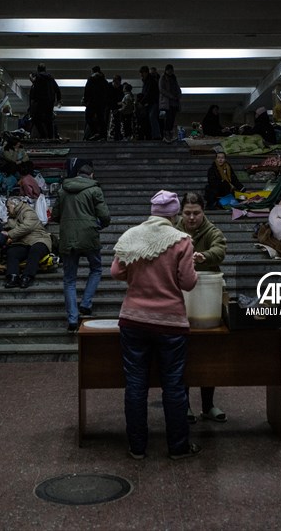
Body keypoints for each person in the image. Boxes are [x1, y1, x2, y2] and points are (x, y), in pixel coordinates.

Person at [111, 190, 199, 460]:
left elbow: (116, 272)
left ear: (151, 211)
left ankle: (137, 448)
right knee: (173, 385)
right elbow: (188, 283)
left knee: (135, 384)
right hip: (170, 322)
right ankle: (178, 447)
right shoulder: (182, 241)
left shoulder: (131, 236)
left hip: (133, 320)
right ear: (174, 214)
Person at [174, 192, 228, 424]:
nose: (192, 218)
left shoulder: (212, 231)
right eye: (188, 213)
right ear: (181, 213)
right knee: (183, 354)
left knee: (208, 354)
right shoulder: (174, 230)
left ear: (203, 212)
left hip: (207, 296)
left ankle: (208, 406)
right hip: (181, 296)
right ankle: (184, 405)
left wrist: (203, 256)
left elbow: (220, 250)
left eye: (196, 213)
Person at [53, 164, 111, 332]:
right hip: (89, 236)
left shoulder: (63, 190)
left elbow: (55, 215)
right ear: (91, 175)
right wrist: (99, 225)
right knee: (96, 268)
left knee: (69, 279)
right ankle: (85, 304)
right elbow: (104, 215)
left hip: (68, 238)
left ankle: (72, 319)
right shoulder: (94, 190)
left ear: (77, 175)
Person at [1, 197, 52, 289]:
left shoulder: (28, 211)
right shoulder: (12, 217)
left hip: (40, 239)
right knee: (13, 252)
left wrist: (9, 234)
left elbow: (27, 226)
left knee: (35, 250)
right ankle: (13, 276)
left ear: (14, 205)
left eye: (8, 207)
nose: (7, 209)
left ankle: (27, 277)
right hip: (24, 242)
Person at [28, 63, 61, 139]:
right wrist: (59, 99)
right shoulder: (50, 78)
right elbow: (57, 89)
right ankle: (50, 137)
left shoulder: (38, 77)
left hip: (40, 101)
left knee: (36, 119)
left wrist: (31, 77)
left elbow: (34, 86)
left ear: (38, 69)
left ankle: (43, 135)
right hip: (50, 102)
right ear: (45, 69)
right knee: (48, 120)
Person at [82, 66, 110, 141]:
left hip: (92, 102)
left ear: (92, 71)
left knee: (88, 117)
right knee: (101, 119)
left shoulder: (91, 79)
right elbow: (107, 91)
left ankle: (95, 132)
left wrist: (85, 100)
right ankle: (103, 135)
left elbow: (87, 90)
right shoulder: (104, 80)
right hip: (101, 103)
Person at [159, 64, 182, 142]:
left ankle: (170, 135)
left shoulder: (173, 78)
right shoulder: (163, 78)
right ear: (166, 70)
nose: (171, 71)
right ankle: (166, 135)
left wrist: (178, 95)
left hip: (174, 102)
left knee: (172, 118)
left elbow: (177, 88)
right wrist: (171, 96)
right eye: (169, 70)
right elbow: (162, 89)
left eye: (171, 70)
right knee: (168, 118)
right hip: (168, 102)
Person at [139, 65, 161, 140]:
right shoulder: (149, 81)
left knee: (152, 117)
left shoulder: (149, 81)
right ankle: (154, 135)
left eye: (142, 73)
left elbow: (148, 93)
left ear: (146, 73)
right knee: (152, 117)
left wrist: (142, 102)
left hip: (153, 102)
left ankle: (156, 135)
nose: (141, 75)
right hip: (152, 102)